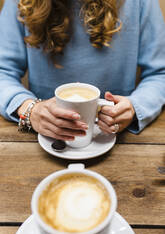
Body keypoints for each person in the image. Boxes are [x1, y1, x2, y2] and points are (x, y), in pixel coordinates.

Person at [0, 0, 165, 142]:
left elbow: (160, 73)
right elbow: (3, 72)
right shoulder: (18, 3)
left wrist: (134, 107)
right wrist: (30, 110)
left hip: (118, 139)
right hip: (41, 139)